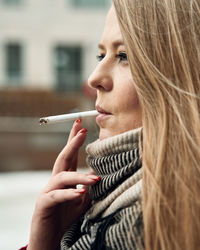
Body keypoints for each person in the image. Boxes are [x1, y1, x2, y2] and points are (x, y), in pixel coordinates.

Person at [22, 0, 200, 249]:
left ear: (179, 75)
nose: (94, 78)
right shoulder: (104, 209)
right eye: (101, 54)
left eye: (123, 56)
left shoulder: (135, 229)